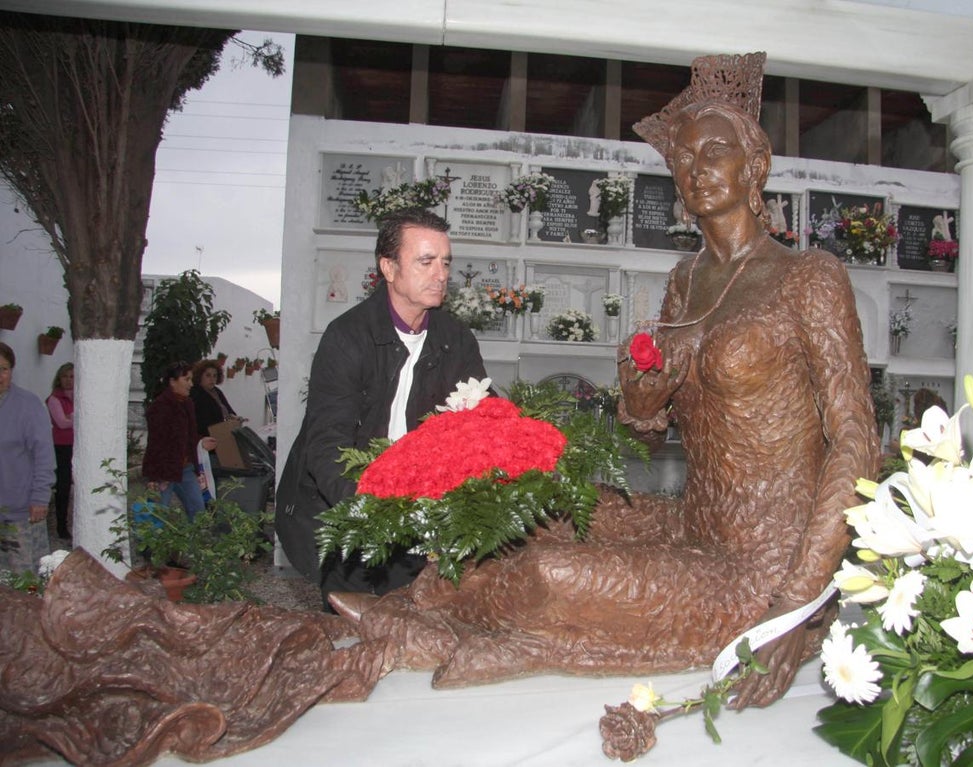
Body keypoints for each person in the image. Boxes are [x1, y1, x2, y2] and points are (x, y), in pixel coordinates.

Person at [336, 53, 880, 709]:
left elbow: (856, 443)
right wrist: (644, 394)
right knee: (536, 514)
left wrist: (794, 605)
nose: (695, 167)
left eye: (715, 150)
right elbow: (647, 425)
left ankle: (443, 630)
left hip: (760, 571)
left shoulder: (809, 277)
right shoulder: (687, 279)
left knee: (547, 568)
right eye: (683, 155)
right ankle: (427, 604)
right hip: (693, 527)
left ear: (754, 165)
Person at [277, 207, 488, 602]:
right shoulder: (347, 338)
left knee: (417, 623)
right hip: (347, 513)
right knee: (355, 636)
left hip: (421, 515)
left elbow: (482, 420)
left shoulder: (455, 340)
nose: (441, 274)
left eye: (445, 262)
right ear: (389, 268)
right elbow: (328, 444)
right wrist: (369, 511)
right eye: (426, 261)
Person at [0, 342, 55, 574]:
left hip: (21, 511)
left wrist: (40, 498)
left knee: (25, 577)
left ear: (12, 371)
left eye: (3, 368)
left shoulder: (28, 405)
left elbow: (44, 455)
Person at [142, 361, 217, 520]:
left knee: (198, 511)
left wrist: (201, 442)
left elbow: (190, 435)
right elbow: (156, 444)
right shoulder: (159, 407)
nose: (190, 384)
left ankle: (194, 543)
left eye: (191, 379)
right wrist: (154, 478)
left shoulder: (187, 403)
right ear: (172, 382)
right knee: (156, 515)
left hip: (186, 468)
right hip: (164, 470)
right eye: (186, 379)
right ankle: (149, 544)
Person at [46, 362, 75, 540]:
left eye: (72, 376)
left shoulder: (80, 396)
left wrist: (71, 416)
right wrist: (76, 417)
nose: (68, 380)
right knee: (63, 486)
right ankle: (61, 526)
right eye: (65, 376)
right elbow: (61, 423)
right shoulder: (54, 399)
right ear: (59, 378)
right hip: (62, 446)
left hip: (77, 445)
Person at [190, 358, 242, 438]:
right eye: (208, 375)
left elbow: (228, 409)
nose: (212, 379)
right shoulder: (196, 394)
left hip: (224, 434)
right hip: (209, 439)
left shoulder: (217, 392)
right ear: (200, 376)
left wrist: (234, 417)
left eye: (215, 376)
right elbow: (202, 423)